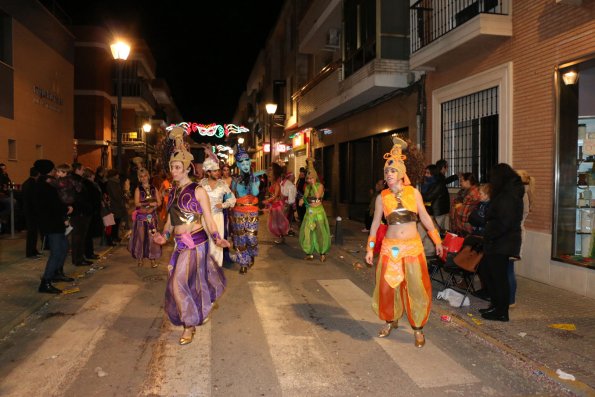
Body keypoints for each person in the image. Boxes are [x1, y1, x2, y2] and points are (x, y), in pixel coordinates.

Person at [364, 138, 443, 347]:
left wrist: (437, 240)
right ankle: (391, 321)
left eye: (392, 172)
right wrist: (370, 249)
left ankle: (418, 328)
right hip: (391, 249)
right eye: (386, 173)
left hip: (412, 247)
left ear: (400, 173)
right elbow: (374, 225)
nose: (388, 176)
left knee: (416, 288)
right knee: (388, 288)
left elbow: (425, 218)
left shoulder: (413, 193)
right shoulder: (382, 197)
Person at [154, 125, 229, 345]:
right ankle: (194, 315)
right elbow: (170, 219)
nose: (174, 171)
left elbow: (208, 217)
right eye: (172, 167)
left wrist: (217, 237)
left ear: (186, 168)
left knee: (178, 283)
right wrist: (164, 235)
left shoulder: (198, 191)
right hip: (179, 244)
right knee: (187, 283)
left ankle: (188, 325)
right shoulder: (173, 191)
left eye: (177, 167)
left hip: (196, 243)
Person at [478, 163, 524, 322]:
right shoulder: (505, 192)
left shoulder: (508, 195)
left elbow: (504, 222)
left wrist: (490, 236)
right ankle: (496, 305)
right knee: (489, 272)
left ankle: (501, 311)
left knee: (499, 277)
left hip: (502, 241)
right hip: (498, 240)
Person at [33, 159, 75, 293]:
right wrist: (66, 209)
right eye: (54, 169)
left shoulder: (45, 183)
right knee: (57, 251)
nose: (56, 172)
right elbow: (53, 204)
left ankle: (56, 273)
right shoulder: (46, 185)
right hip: (52, 222)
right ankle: (46, 282)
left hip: (54, 221)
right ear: (50, 170)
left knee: (64, 247)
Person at [230, 145, 263, 274]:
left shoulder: (255, 178)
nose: (245, 165)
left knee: (251, 238)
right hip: (238, 212)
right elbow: (231, 196)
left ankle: (251, 254)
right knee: (240, 238)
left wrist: (252, 177)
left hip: (252, 212)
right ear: (238, 165)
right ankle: (243, 262)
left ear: (250, 162)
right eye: (242, 163)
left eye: (246, 162)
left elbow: (255, 192)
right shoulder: (235, 181)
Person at [199, 157, 236, 267]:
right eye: (215, 171)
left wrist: (224, 205)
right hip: (204, 218)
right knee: (205, 241)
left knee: (217, 242)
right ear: (208, 172)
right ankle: (205, 266)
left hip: (218, 217)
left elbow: (232, 198)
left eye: (218, 170)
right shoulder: (202, 184)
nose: (218, 173)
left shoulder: (222, 184)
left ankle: (216, 267)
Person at [508, 169, 535, 307]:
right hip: (515, 233)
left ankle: (510, 300)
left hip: (514, 235)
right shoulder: (521, 193)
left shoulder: (521, 194)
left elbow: (515, 216)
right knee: (508, 268)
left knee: (509, 269)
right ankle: (508, 298)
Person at [128, 168, 162, 267]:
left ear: (148, 176)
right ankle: (140, 258)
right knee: (141, 238)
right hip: (141, 218)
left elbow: (159, 202)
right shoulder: (138, 189)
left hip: (151, 218)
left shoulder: (153, 188)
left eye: (145, 176)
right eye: (141, 176)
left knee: (152, 238)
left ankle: (153, 259)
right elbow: (136, 203)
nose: (144, 178)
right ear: (139, 178)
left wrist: (154, 207)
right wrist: (150, 203)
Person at [299, 158, 330, 262]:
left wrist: (313, 185)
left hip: (318, 212)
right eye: (308, 178)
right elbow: (305, 196)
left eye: (311, 177)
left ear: (315, 177)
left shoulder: (320, 186)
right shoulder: (307, 187)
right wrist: (302, 200)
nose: (309, 179)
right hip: (310, 212)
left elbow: (317, 195)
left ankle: (322, 253)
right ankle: (309, 253)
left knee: (320, 232)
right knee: (307, 232)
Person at [263, 163, 290, 244]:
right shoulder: (274, 183)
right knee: (276, 222)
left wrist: (267, 200)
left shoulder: (277, 184)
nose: (269, 178)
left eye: (270, 176)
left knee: (278, 222)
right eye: (268, 176)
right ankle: (281, 238)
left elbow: (275, 196)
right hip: (274, 206)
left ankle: (281, 237)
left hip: (277, 206)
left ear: (275, 175)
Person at [422, 163, 450, 233]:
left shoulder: (439, 183)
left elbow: (428, 197)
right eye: (425, 172)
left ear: (433, 173)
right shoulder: (429, 182)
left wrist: (419, 197)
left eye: (428, 173)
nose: (426, 175)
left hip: (438, 212)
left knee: (434, 232)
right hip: (430, 211)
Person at [22, 167, 41, 258]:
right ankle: (30, 253)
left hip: (28, 210)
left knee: (33, 232)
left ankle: (33, 250)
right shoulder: (33, 184)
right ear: (38, 174)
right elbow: (35, 200)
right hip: (32, 211)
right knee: (32, 233)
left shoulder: (26, 183)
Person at [106, 169, 127, 244]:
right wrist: (121, 199)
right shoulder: (112, 183)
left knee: (117, 221)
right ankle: (112, 237)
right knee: (113, 222)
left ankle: (115, 236)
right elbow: (115, 195)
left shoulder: (115, 182)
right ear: (115, 175)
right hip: (114, 205)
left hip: (116, 205)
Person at [280, 171, 297, 236]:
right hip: (287, 204)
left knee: (282, 217)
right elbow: (291, 199)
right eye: (293, 176)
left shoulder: (283, 182)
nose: (295, 177)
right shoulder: (291, 185)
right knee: (288, 217)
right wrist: (292, 205)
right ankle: (287, 230)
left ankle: (282, 230)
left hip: (282, 202)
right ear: (291, 177)